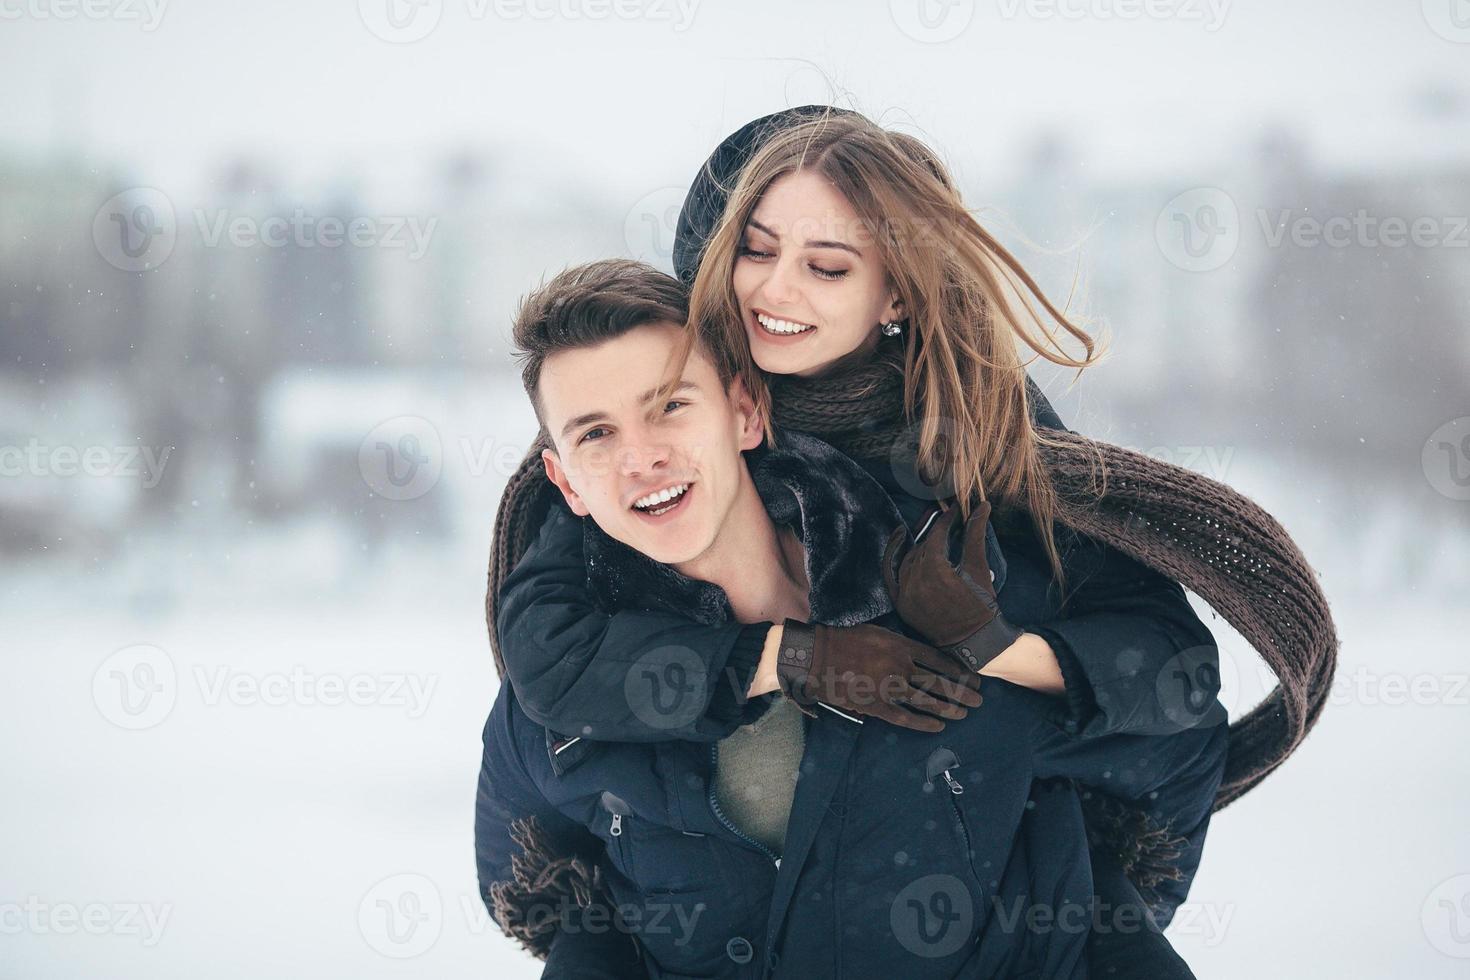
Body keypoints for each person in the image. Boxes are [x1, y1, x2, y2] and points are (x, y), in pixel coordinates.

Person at [476, 260, 1227, 978]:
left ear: (743, 411)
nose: (642, 458)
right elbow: (542, 891)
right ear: (565, 482)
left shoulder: (934, 593)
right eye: (595, 435)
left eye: (670, 405)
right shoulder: (564, 696)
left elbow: (1178, 749)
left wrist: (1091, 921)